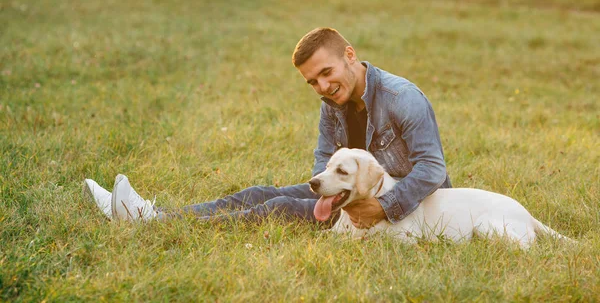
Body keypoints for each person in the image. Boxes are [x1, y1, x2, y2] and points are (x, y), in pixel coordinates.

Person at [83, 27, 452, 229]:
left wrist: (383, 207)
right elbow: (323, 165)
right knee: (260, 192)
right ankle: (152, 213)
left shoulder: (402, 97)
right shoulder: (332, 105)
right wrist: (330, 199)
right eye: (312, 82)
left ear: (350, 56)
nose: (322, 87)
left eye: (327, 73)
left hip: (407, 209)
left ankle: (156, 225)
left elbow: (433, 170)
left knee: (276, 207)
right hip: (348, 198)